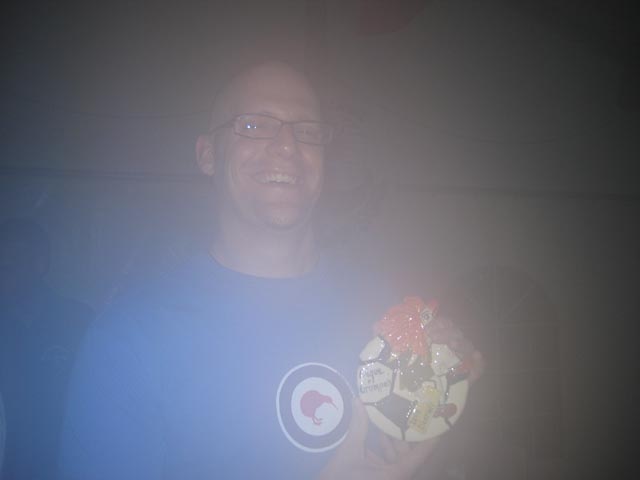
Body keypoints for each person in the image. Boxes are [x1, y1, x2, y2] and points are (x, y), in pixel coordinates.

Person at [58, 61, 482, 480]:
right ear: (207, 154)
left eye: (307, 131)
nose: (286, 146)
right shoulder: (130, 338)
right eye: (254, 125)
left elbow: (400, 449)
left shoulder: (379, 306)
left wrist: (439, 398)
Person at [0, 218, 92, 479]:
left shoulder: (79, 321)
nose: (4, 267)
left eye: (12, 259)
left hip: (67, 465)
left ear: (39, 263)